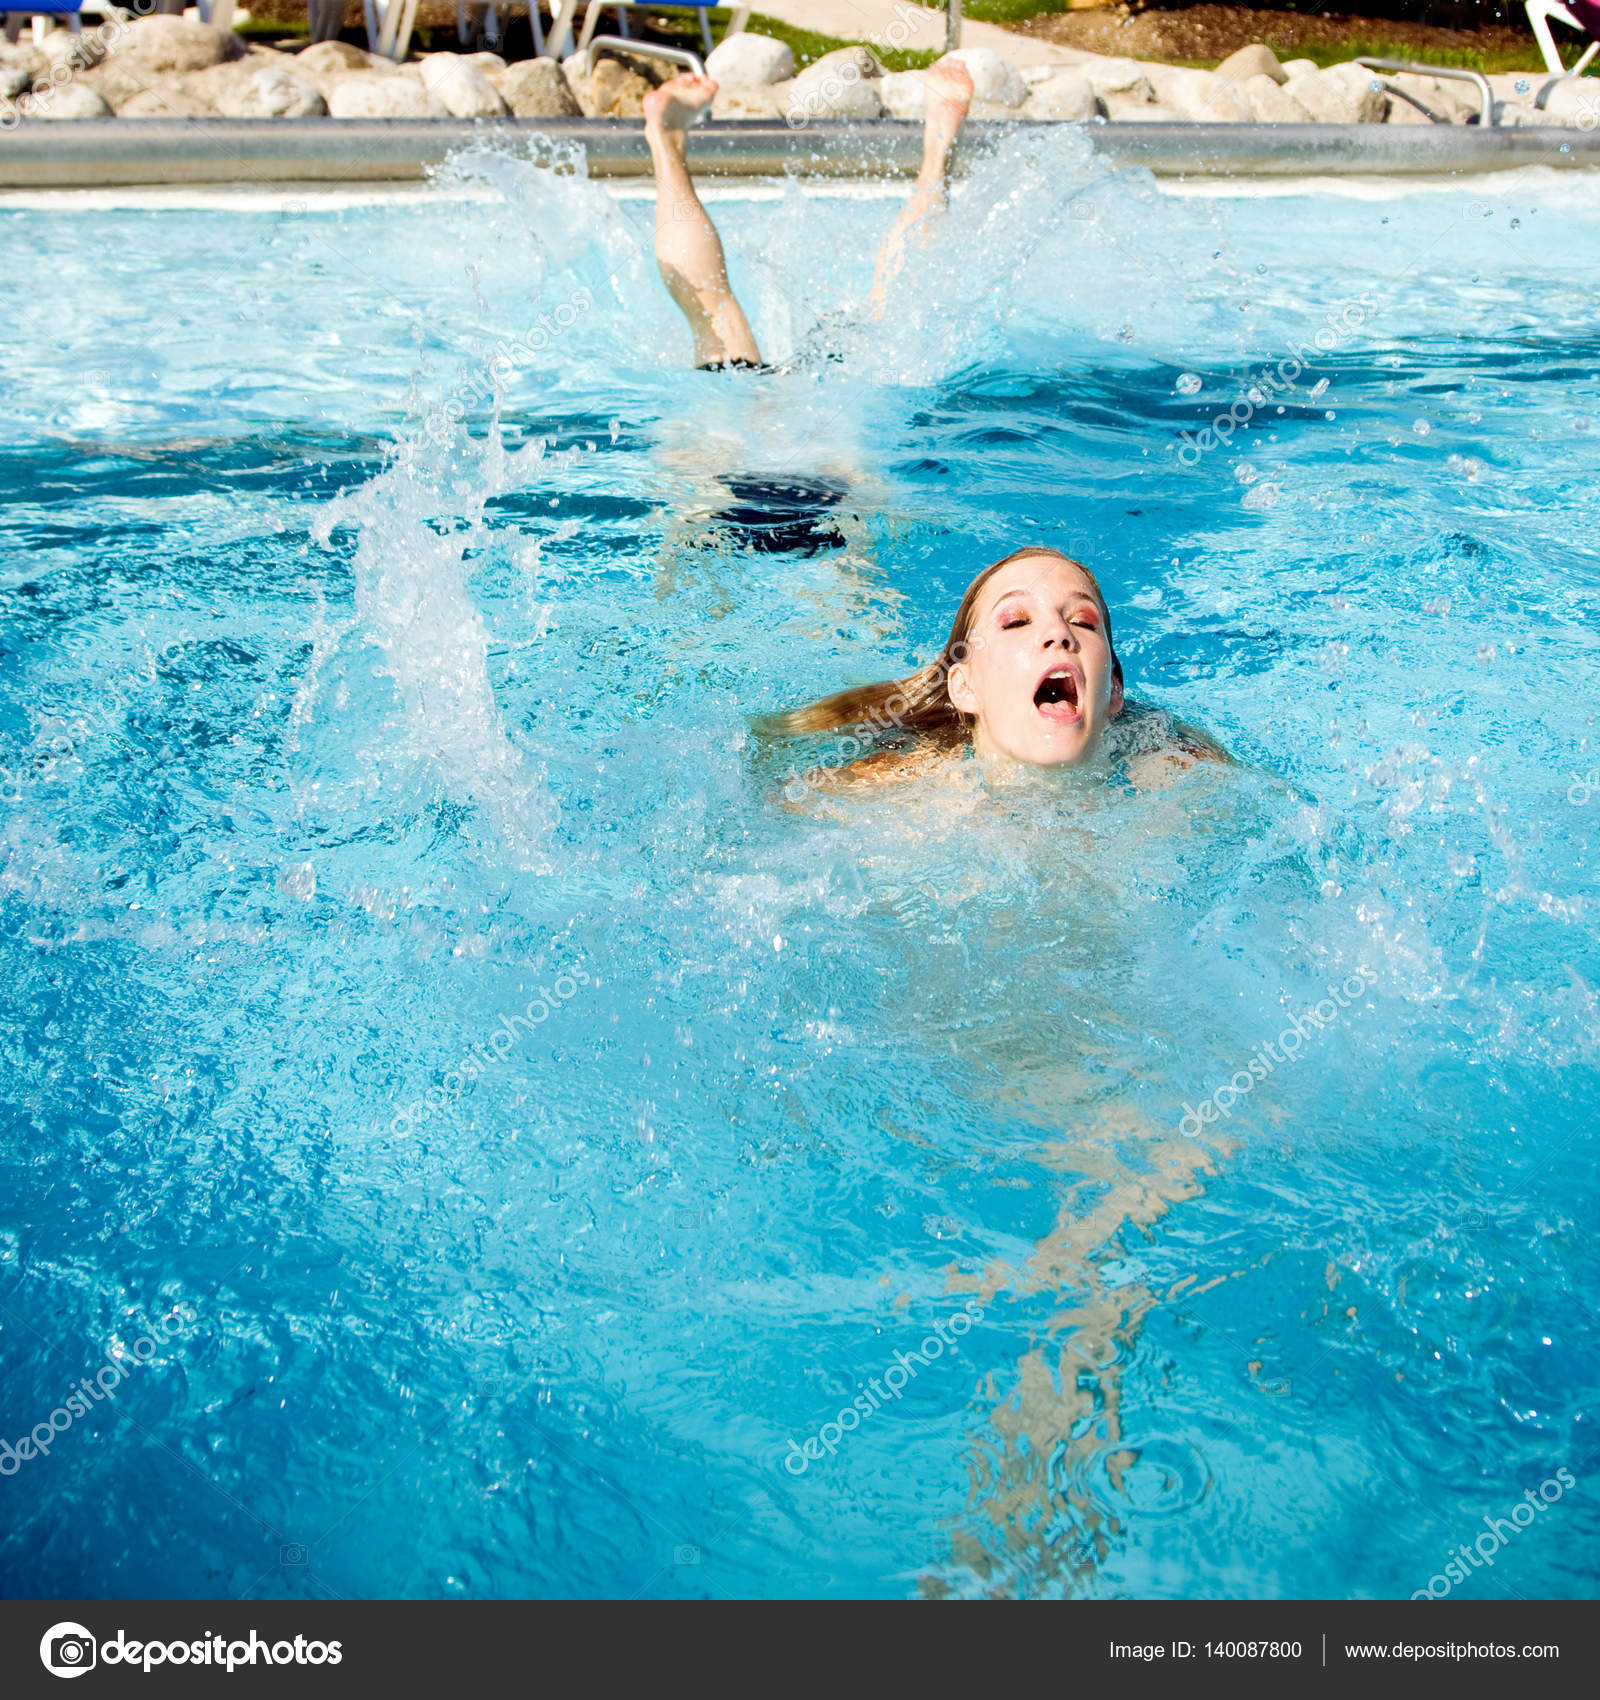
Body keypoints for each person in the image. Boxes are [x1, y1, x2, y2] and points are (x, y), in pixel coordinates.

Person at [761, 547, 1227, 791]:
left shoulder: (1185, 785)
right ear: (964, 686)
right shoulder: (893, 794)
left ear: (1114, 693)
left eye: (1082, 621)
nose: (1058, 634)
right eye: (1016, 621)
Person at [641, 55, 978, 370]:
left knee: (715, 315)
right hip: (825, 404)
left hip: (743, 418)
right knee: (887, 323)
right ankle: (937, 152)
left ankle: (664, 136)